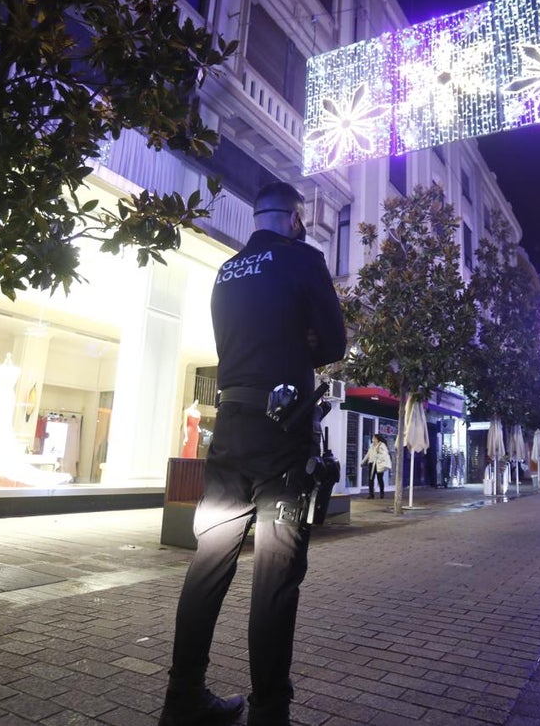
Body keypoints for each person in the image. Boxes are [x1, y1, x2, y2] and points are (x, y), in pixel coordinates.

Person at [161, 182, 346, 726]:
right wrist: (303, 340)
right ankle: (270, 712)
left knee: (208, 565)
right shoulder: (304, 260)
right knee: (275, 573)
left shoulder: (226, 271)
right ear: (296, 218)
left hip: (231, 430)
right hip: (282, 436)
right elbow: (333, 345)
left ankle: (182, 698)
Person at [360, 433, 391, 499]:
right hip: (371, 463)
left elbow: (385, 453)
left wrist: (378, 450)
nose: (372, 439)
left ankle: (382, 493)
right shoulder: (371, 446)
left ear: (377, 439)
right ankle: (371, 494)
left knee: (380, 479)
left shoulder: (382, 445)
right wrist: (362, 462)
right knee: (370, 479)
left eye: (374, 438)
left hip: (378, 464)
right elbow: (368, 454)